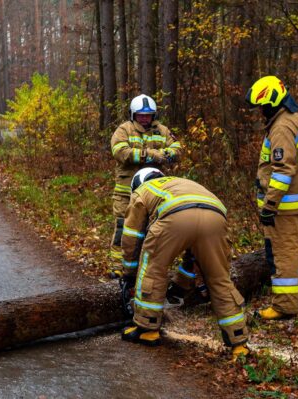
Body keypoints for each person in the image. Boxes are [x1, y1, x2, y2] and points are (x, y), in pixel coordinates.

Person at [120, 167, 249, 360]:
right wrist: (180, 285)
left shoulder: (143, 190)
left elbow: (132, 236)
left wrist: (129, 274)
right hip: (215, 217)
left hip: (175, 217)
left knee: (154, 268)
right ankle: (238, 340)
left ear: (138, 182)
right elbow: (193, 257)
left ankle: (147, 327)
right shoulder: (181, 184)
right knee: (219, 277)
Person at [245, 75, 298, 320]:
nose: (260, 112)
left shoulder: (282, 128)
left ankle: (285, 305)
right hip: (297, 201)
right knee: (295, 250)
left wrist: (270, 205)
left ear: (272, 102)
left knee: (281, 254)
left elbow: (284, 170)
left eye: (262, 106)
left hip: (283, 207)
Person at [109, 94, 182, 277]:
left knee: (152, 231)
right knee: (123, 229)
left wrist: (166, 154)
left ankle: (146, 266)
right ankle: (118, 267)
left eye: (148, 115)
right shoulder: (124, 130)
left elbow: (177, 149)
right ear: (133, 115)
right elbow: (120, 152)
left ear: (154, 115)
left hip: (154, 194)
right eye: (140, 115)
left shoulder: (162, 131)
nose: (144, 118)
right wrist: (150, 155)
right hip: (126, 193)